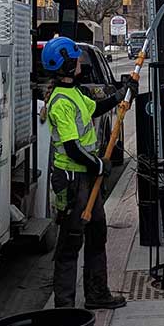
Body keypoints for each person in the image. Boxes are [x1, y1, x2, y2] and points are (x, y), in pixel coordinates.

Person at [41, 37, 128, 311]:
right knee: (70, 243)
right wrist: (98, 164)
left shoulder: (76, 93)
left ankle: (97, 293)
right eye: (76, 59)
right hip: (71, 179)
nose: (80, 62)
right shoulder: (60, 102)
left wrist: (122, 94)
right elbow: (72, 148)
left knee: (97, 235)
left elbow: (96, 109)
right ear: (66, 65)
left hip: (87, 178)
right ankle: (64, 306)